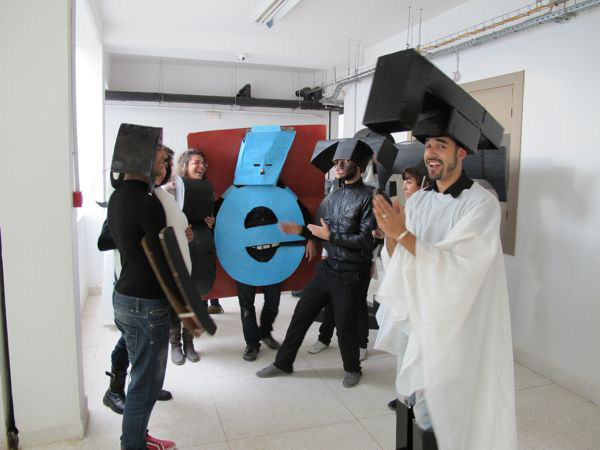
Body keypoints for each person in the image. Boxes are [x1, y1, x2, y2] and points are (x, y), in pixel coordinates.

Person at [372, 136, 516, 449]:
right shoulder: (420, 200)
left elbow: (459, 268)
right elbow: (403, 263)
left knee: (446, 411)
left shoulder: (481, 204)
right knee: (413, 403)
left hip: (455, 323)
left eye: (440, 145)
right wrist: (391, 236)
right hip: (418, 316)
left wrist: (402, 233)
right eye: (427, 147)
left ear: (461, 153)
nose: (431, 153)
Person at [256, 148, 377, 388]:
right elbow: (321, 229)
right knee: (301, 315)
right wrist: (301, 231)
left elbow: (365, 241)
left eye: (345, 161)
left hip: (352, 273)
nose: (338, 165)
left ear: (359, 166)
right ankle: (283, 363)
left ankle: (353, 368)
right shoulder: (333, 196)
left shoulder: (370, 197)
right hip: (328, 268)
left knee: (345, 325)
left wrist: (329, 236)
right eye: (336, 161)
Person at [108, 124, 177, 449]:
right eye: (163, 161)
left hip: (124, 297)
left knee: (143, 379)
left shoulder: (118, 197)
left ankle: (137, 437)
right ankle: (133, 445)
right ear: (144, 161)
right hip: (147, 304)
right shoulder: (149, 204)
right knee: (145, 385)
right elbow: (161, 262)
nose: (166, 168)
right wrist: (185, 308)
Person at [168, 148, 216, 365]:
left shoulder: (207, 191)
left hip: (200, 248)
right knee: (177, 299)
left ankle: (189, 343)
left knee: (197, 297)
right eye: (196, 162)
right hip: (178, 247)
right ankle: (175, 344)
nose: (201, 166)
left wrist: (212, 222)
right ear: (184, 165)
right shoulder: (169, 190)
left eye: (204, 163)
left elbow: (210, 219)